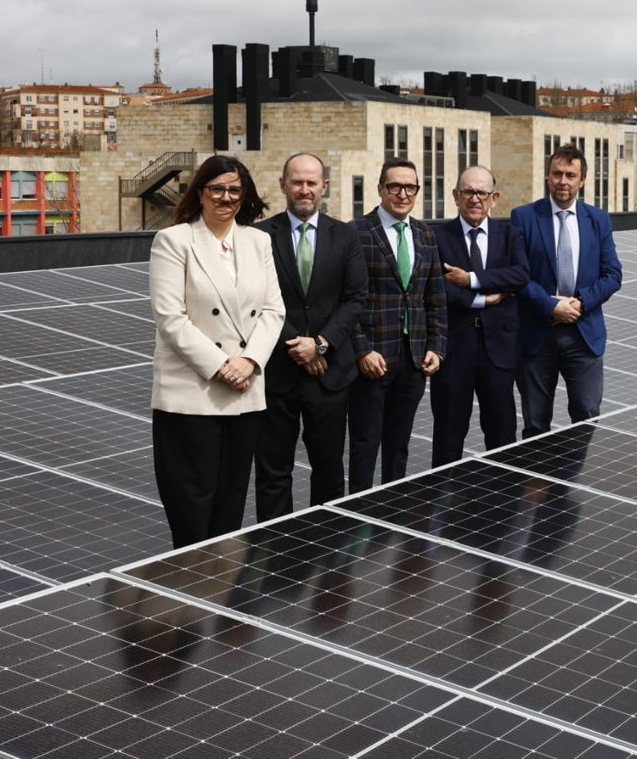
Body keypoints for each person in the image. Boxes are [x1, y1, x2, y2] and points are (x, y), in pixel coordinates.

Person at [149, 154, 285, 548]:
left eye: (235, 190)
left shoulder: (258, 241)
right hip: (191, 397)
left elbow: (275, 310)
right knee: (192, 510)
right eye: (218, 189)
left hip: (245, 394)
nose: (226, 198)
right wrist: (223, 365)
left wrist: (250, 362)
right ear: (200, 193)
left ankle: (219, 599)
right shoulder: (174, 241)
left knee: (230, 508)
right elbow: (170, 317)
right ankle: (190, 598)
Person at [252, 152, 367, 520]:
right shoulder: (258, 237)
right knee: (273, 473)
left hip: (330, 376)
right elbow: (255, 300)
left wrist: (319, 344)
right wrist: (297, 346)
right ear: (283, 185)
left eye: (311, 183)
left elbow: (355, 299)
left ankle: (325, 546)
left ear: (324, 187)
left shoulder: (346, 236)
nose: (304, 190)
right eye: (297, 182)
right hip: (277, 376)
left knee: (330, 470)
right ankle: (274, 549)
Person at [348, 158, 446, 493]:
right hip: (373, 358)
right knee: (365, 442)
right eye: (395, 186)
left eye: (410, 187)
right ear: (380, 189)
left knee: (399, 441)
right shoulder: (356, 233)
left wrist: (436, 346)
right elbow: (346, 300)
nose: (403, 194)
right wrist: (362, 350)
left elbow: (434, 297)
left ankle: (392, 507)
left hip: (413, 358)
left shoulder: (425, 234)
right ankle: (357, 512)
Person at [510, 143, 622, 437]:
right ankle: (537, 482)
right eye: (557, 173)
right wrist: (551, 306)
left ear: (582, 179)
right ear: (547, 176)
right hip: (537, 334)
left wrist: (580, 304)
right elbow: (518, 275)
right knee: (535, 424)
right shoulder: (524, 217)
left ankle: (573, 483)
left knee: (586, 415)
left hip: (583, 335)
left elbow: (612, 274)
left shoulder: (598, 220)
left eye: (570, 175)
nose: (563, 181)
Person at [429, 165, 528, 466]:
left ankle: (503, 505)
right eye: (468, 192)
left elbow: (520, 275)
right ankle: (443, 505)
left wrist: (471, 280)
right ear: (455, 196)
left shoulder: (510, 234)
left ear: (494, 198)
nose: (475, 199)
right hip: (453, 351)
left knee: (502, 436)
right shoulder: (435, 237)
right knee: (448, 436)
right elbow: (435, 288)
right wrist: (483, 300)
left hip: (498, 350)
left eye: (482, 193)